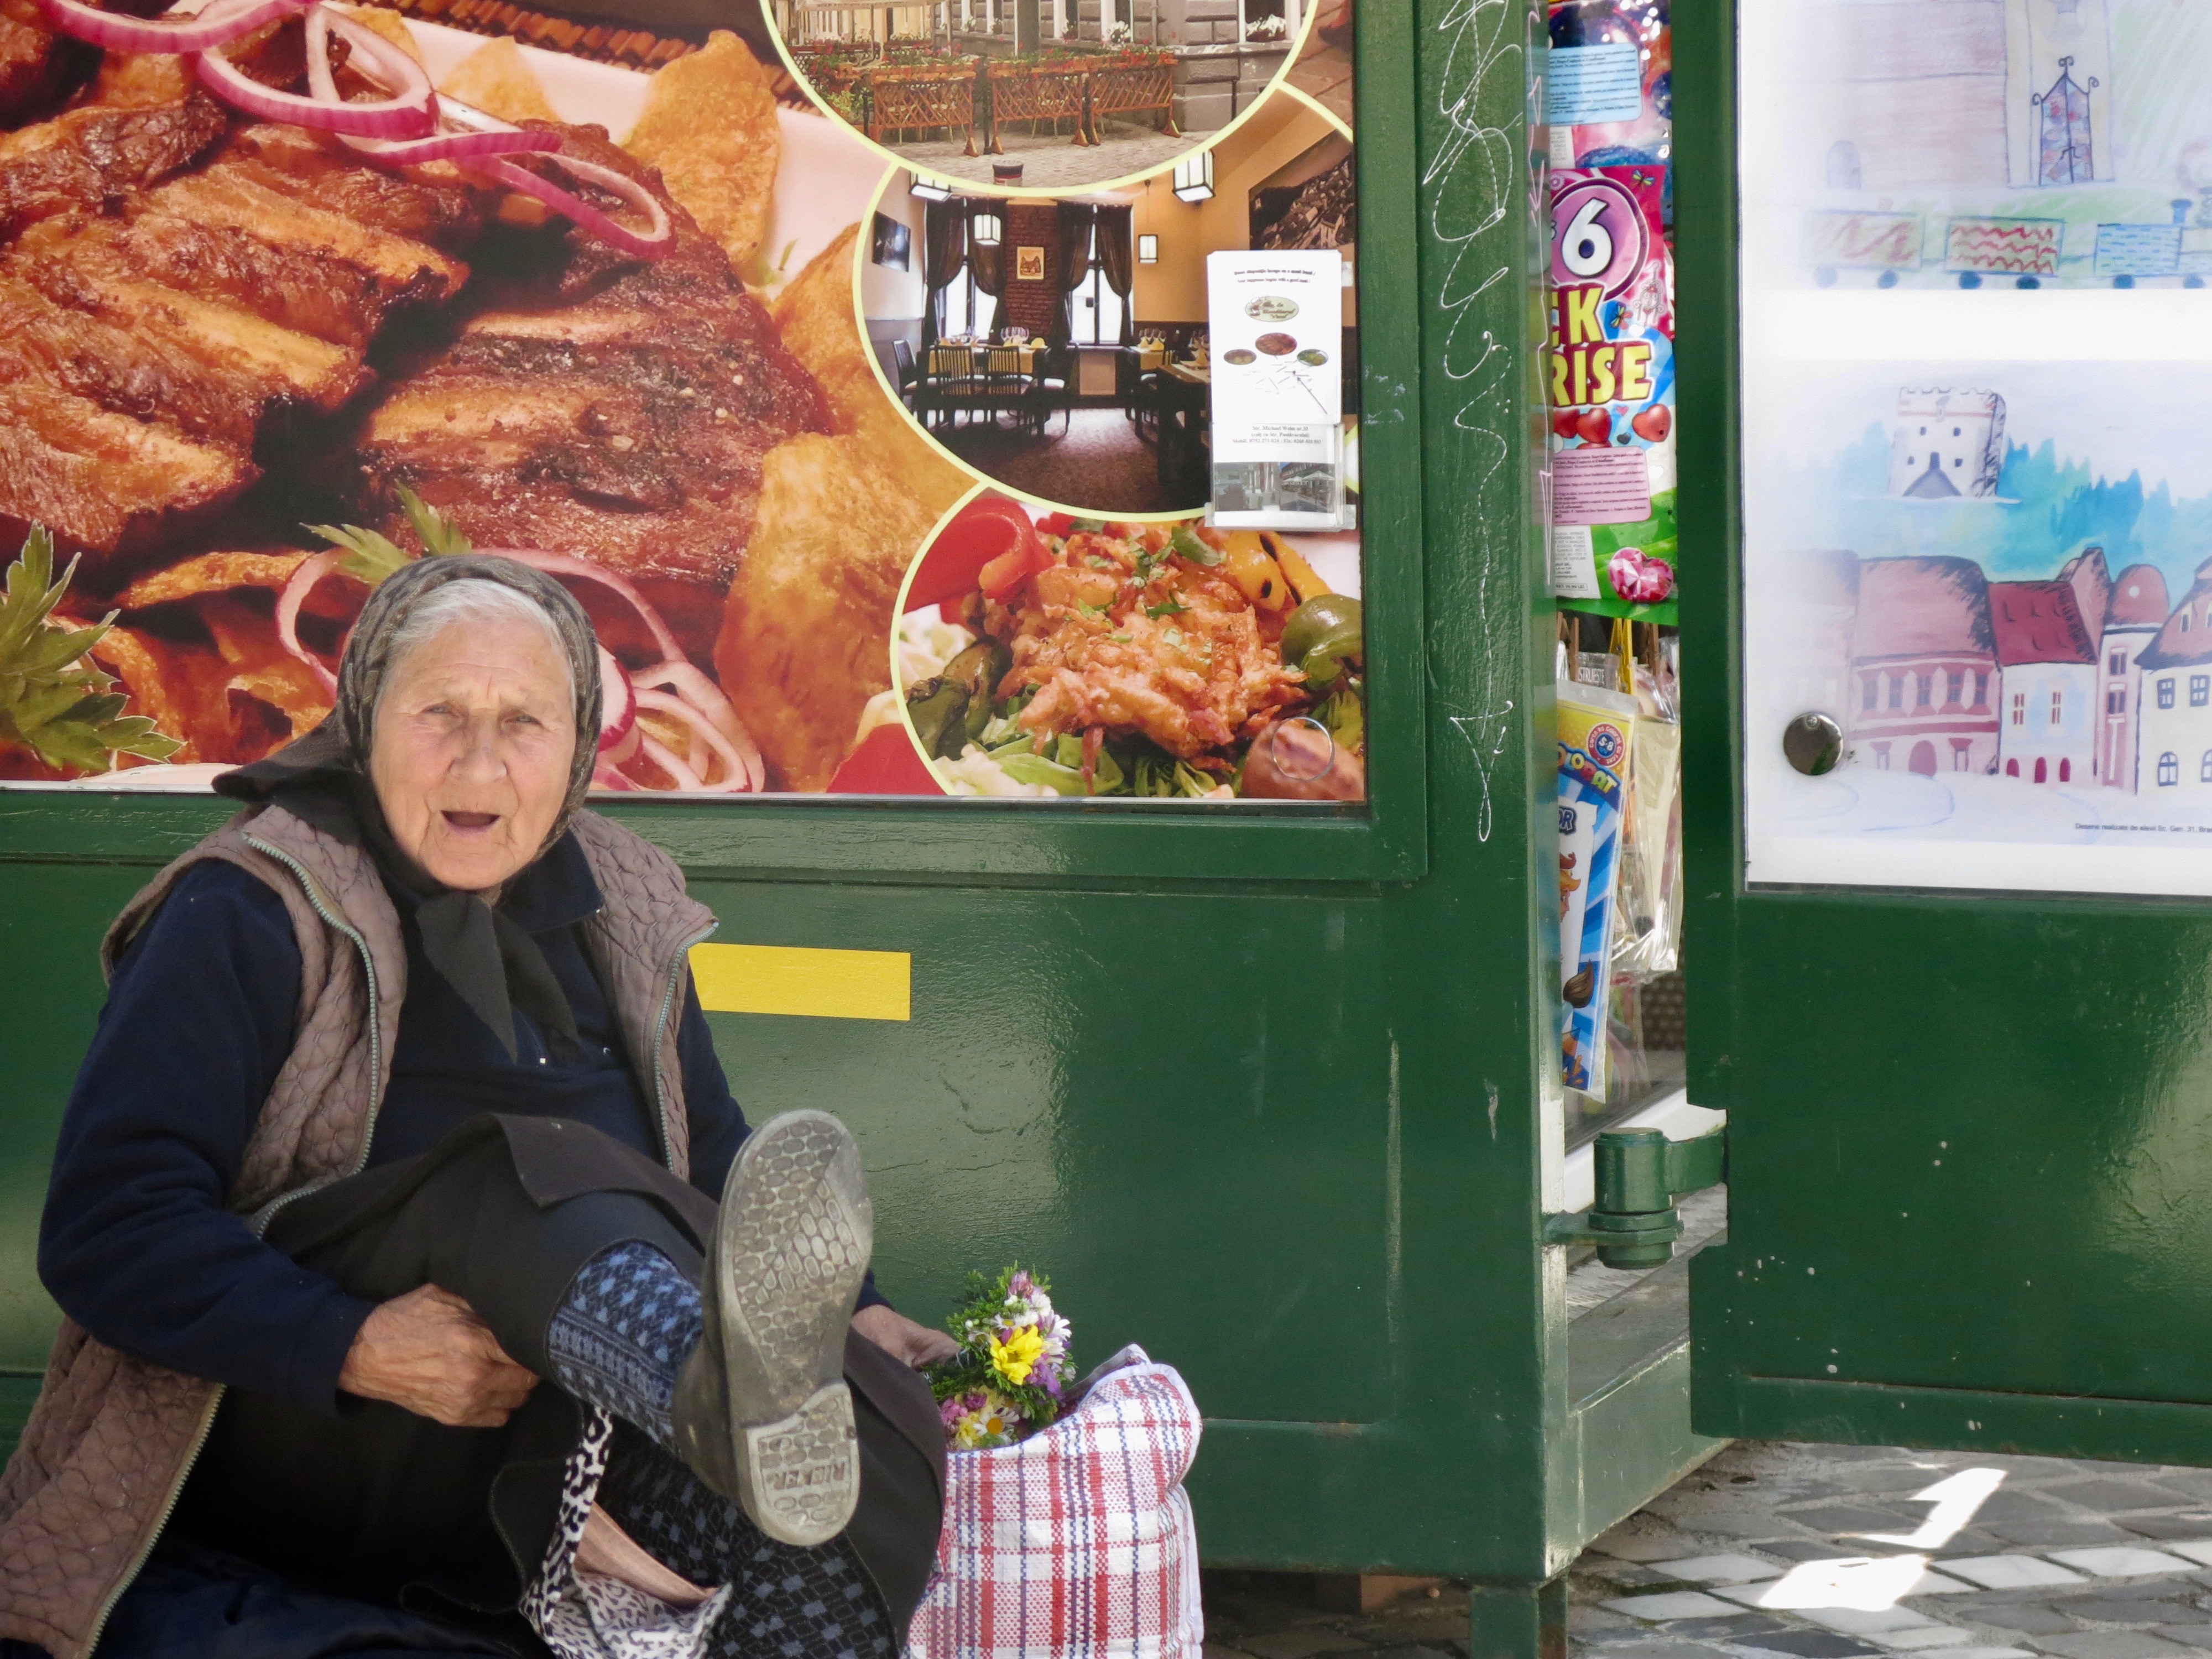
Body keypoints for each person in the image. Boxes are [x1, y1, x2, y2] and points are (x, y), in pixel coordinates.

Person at [0, 555, 959, 1659]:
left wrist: (860, 1314)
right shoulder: (253, 906)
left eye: (524, 723)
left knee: (858, 1457)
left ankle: (735, 1438)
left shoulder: (621, 903)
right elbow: (107, 1228)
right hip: (321, 1428)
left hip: (556, 1453)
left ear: (580, 745)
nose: (480, 762)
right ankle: (700, 1384)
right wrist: (352, 1343)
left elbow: (708, 1158)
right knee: (519, 1171)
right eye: (438, 714)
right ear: (363, 723)